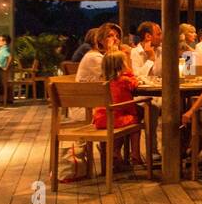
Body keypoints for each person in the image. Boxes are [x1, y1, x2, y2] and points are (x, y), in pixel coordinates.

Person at [60, 22, 122, 181]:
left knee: (131, 110)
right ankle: (114, 156)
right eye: (110, 36)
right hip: (87, 110)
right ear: (99, 40)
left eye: (116, 36)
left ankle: (115, 156)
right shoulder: (95, 58)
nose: (114, 39)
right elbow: (115, 79)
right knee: (132, 112)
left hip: (94, 106)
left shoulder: (101, 56)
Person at [92, 50, 144, 170]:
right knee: (135, 119)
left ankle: (114, 151)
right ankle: (135, 156)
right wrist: (129, 73)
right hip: (113, 119)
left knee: (121, 118)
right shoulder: (124, 81)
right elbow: (134, 84)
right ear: (121, 65)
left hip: (100, 119)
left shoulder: (103, 82)